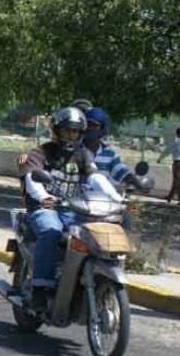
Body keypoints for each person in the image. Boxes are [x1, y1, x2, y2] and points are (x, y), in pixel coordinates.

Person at [16, 106, 122, 311]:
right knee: (52, 232)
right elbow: (31, 178)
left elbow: (95, 177)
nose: (71, 135)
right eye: (67, 130)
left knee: (94, 234)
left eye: (75, 131)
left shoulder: (82, 154)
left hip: (72, 209)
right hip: (45, 208)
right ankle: (39, 289)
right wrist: (44, 196)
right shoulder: (42, 152)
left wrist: (116, 198)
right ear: (57, 130)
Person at [157, 127, 180, 205]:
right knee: (177, 181)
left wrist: (160, 158)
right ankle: (170, 197)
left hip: (178, 163)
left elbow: (168, 150)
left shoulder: (176, 141)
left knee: (178, 182)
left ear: (177, 133)